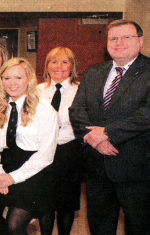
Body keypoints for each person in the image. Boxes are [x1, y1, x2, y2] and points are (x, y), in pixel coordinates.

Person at [69, 19, 150, 235]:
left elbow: (146, 114)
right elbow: (77, 110)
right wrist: (92, 139)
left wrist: (106, 133)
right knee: (99, 227)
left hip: (136, 170)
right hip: (97, 169)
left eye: (126, 37)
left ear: (140, 41)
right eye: (113, 38)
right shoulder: (95, 72)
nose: (118, 42)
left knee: (139, 227)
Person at [0, 58, 58, 235]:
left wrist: (13, 178)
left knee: (15, 224)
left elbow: (46, 155)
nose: (12, 83)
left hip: (34, 169)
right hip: (3, 165)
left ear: (29, 79)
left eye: (18, 78)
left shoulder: (45, 110)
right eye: (7, 78)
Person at [37, 47, 82, 235]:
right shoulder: (37, 90)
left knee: (66, 204)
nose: (59, 66)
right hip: (42, 152)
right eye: (54, 62)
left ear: (72, 66)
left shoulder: (81, 90)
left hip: (68, 152)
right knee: (45, 202)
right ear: (47, 66)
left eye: (65, 62)